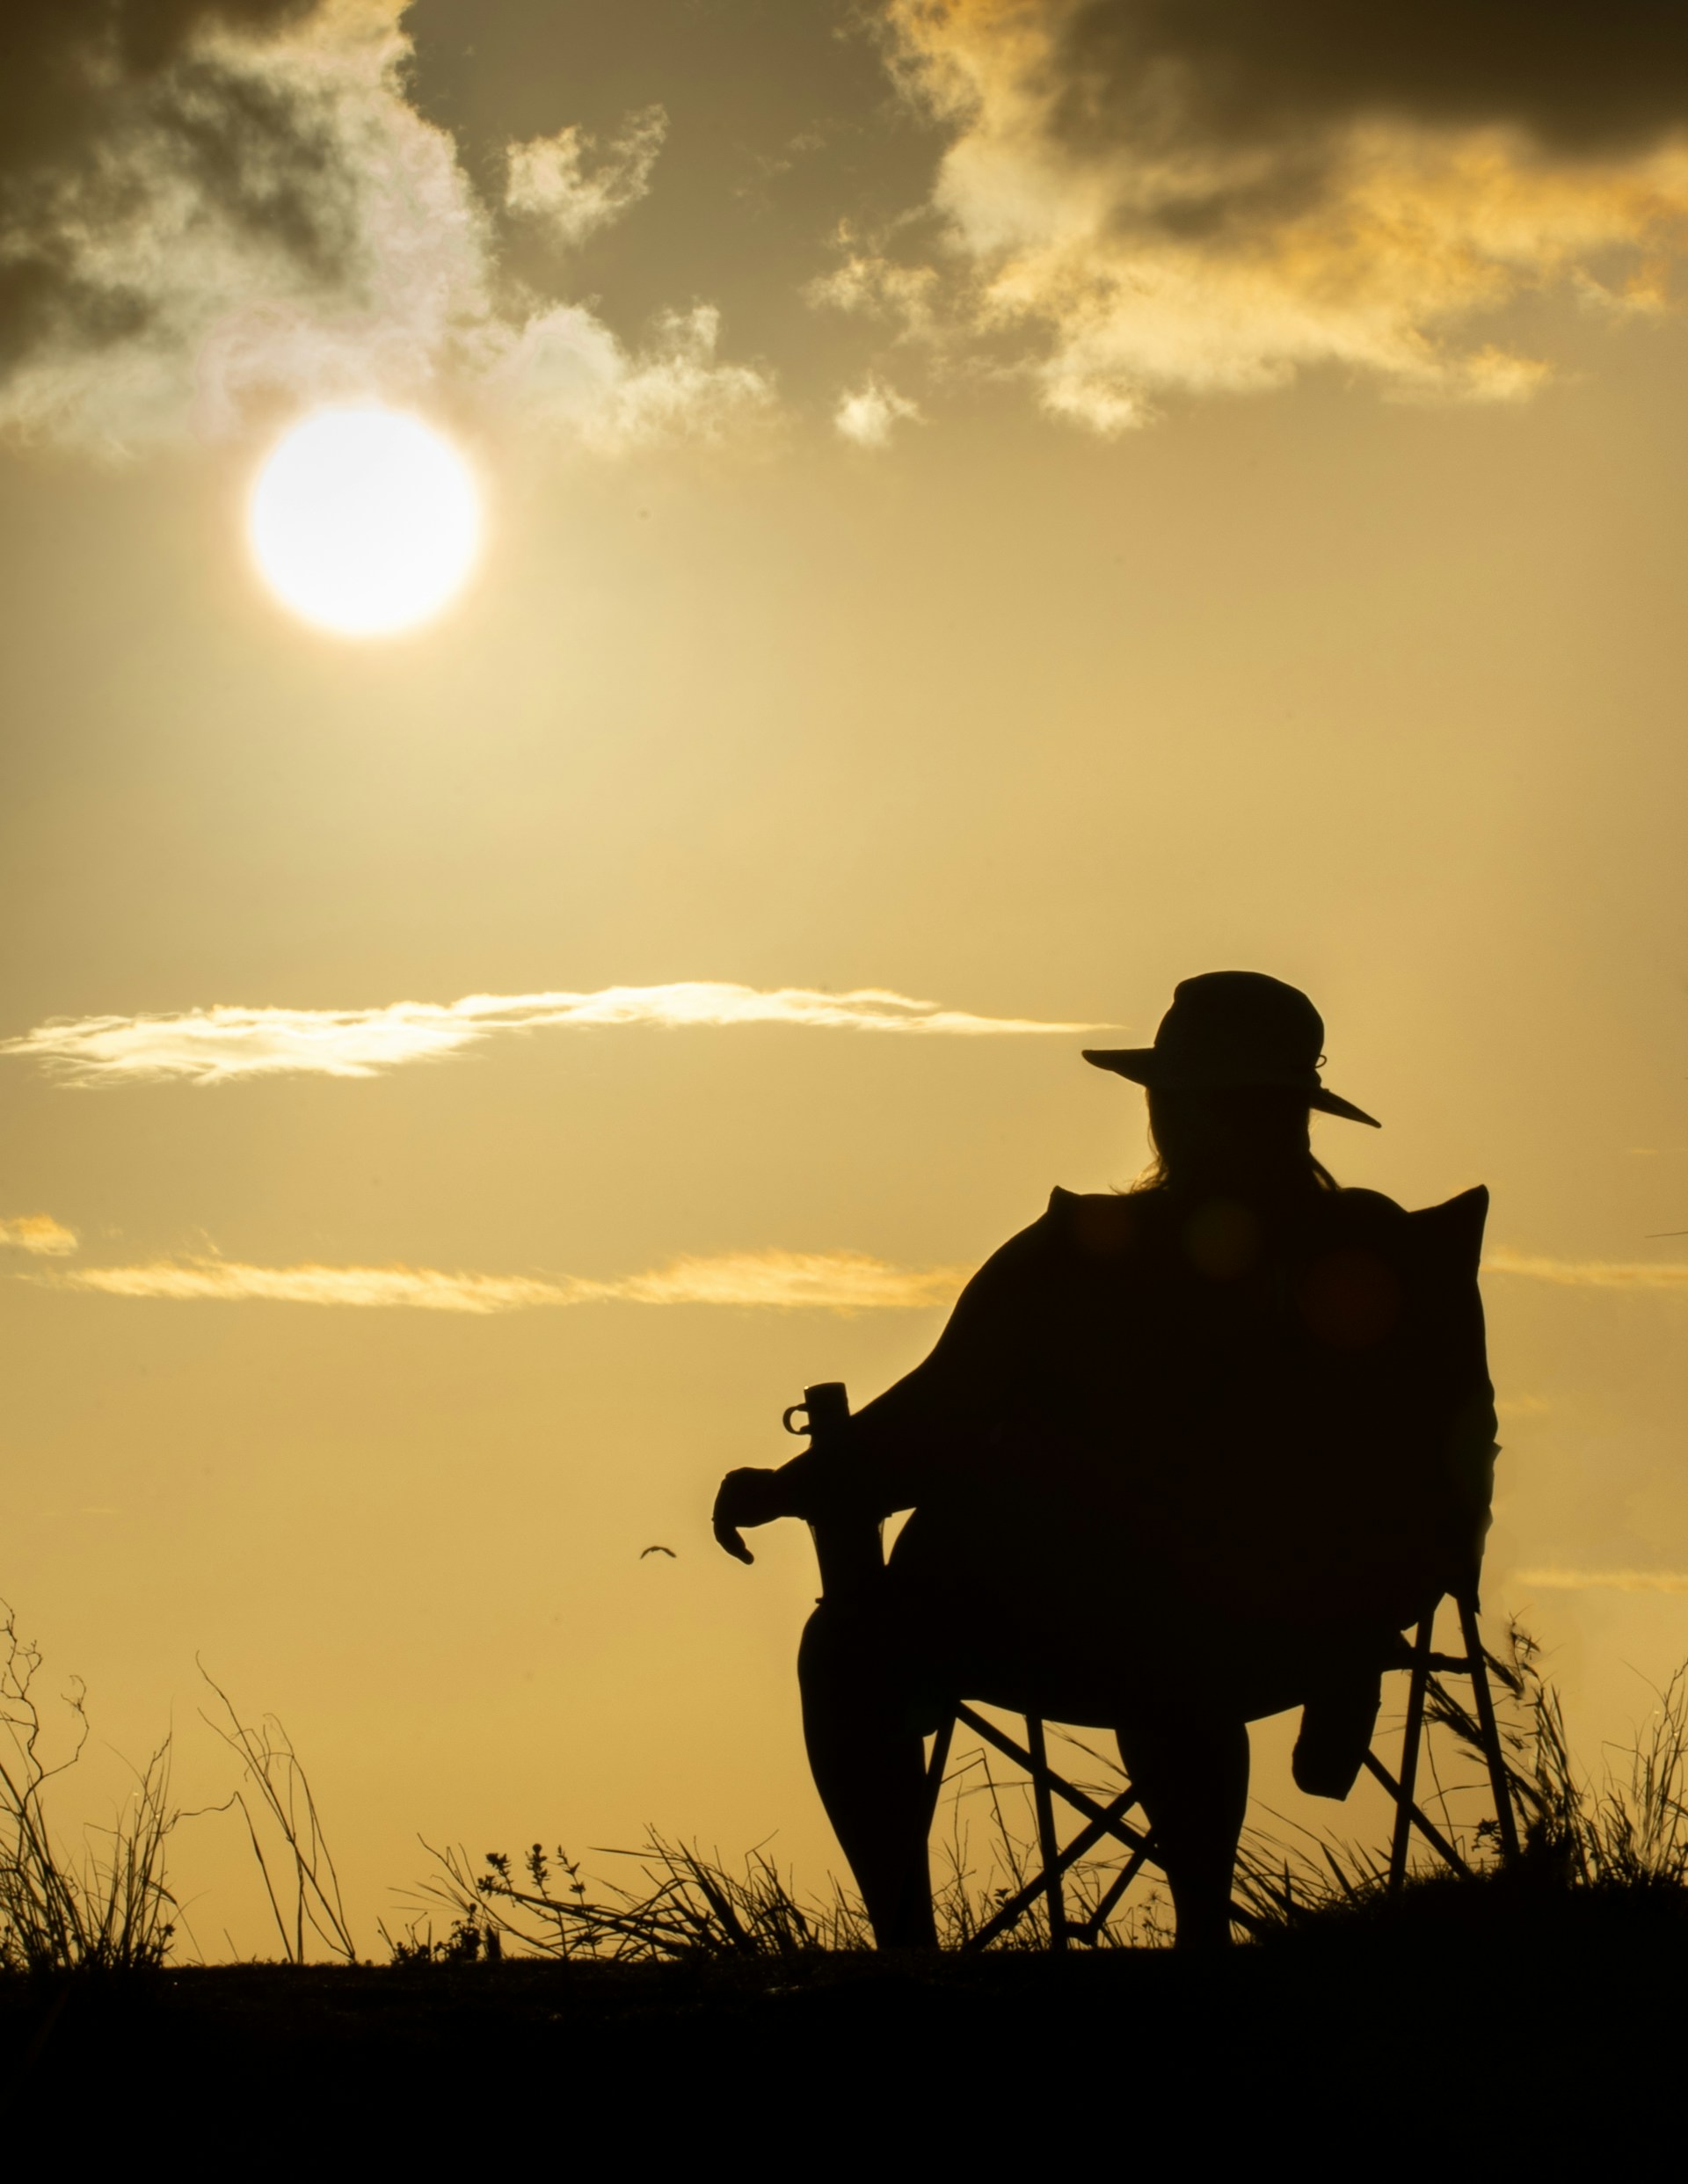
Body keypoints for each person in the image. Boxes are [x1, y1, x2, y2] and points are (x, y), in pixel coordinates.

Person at [713, 972, 1496, 1948]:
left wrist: (792, 1488)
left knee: (860, 1647)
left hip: (1116, 1620)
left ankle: (910, 1962)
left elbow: (935, 1422)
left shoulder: (1084, 1253)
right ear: (1300, 1111)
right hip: (1322, 1615)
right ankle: (1201, 1935)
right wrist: (1394, 1586)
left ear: (1167, 1107)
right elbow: (1456, 1452)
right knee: (1174, 1619)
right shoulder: (1388, 1251)